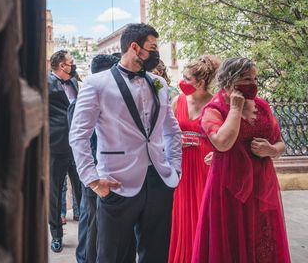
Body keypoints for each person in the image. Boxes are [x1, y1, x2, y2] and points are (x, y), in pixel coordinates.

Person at [70, 23, 182, 263]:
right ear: (135, 47)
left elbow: (172, 130)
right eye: (152, 47)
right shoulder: (96, 83)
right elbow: (78, 135)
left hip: (160, 181)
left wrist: (175, 168)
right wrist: (92, 179)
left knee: (156, 254)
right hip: (116, 182)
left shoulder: (159, 84)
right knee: (114, 256)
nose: (156, 52)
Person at [192, 57, 290, 263]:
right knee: (232, 241)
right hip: (229, 187)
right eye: (247, 78)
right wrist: (235, 109)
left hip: (262, 187)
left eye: (255, 78)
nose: (253, 84)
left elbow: (281, 144)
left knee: (263, 241)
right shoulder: (214, 109)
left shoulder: (262, 106)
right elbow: (222, 143)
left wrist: (271, 149)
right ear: (230, 80)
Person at [69, 53, 121, 263]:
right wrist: (92, 175)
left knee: (94, 223)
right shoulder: (85, 101)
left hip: (99, 170)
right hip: (94, 172)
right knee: (90, 224)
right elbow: (80, 139)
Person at [168, 55, 221, 263]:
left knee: (204, 214)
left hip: (206, 164)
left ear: (200, 83)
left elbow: (227, 136)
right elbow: (166, 133)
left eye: (187, 78)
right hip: (182, 166)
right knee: (182, 216)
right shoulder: (177, 101)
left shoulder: (217, 103)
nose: (183, 81)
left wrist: (219, 154)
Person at [48, 50, 83, 253]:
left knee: (84, 193)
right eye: (71, 62)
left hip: (77, 147)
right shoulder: (45, 83)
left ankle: (86, 235)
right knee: (54, 193)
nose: (73, 65)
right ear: (62, 65)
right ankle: (56, 236)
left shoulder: (75, 83)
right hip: (56, 147)